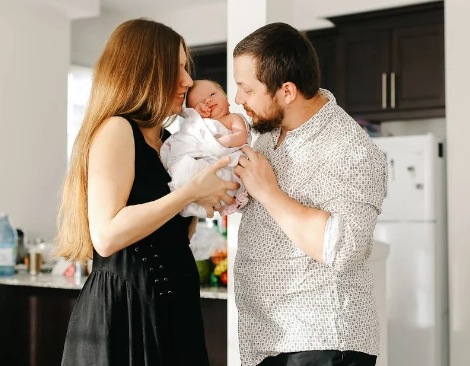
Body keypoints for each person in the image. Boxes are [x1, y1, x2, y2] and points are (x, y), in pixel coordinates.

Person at [54, 18, 239, 366]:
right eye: (177, 68)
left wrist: (206, 197)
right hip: (126, 311)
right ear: (143, 72)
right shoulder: (117, 129)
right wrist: (189, 193)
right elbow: (106, 236)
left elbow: (173, 231)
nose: (188, 81)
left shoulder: (172, 145)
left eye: (186, 68)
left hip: (173, 304)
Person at [232, 22, 388, 366]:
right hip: (268, 337)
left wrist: (268, 192)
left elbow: (345, 247)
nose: (239, 100)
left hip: (322, 341)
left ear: (287, 91)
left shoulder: (351, 150)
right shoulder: (271, 135)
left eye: (246, 89)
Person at [160, 79, 250, 218]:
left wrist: (226, 141)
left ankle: (219, 201)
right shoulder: (200, 124)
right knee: (184, 169)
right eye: (199, 103)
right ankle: (186, 203)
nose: (208, 101)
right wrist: (196, 118)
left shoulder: (233, 118)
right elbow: (189, 135)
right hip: (202, 160)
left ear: (226, 98)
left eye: (212, 94)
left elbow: (241, 135)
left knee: (233, 177)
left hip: (224, 162)